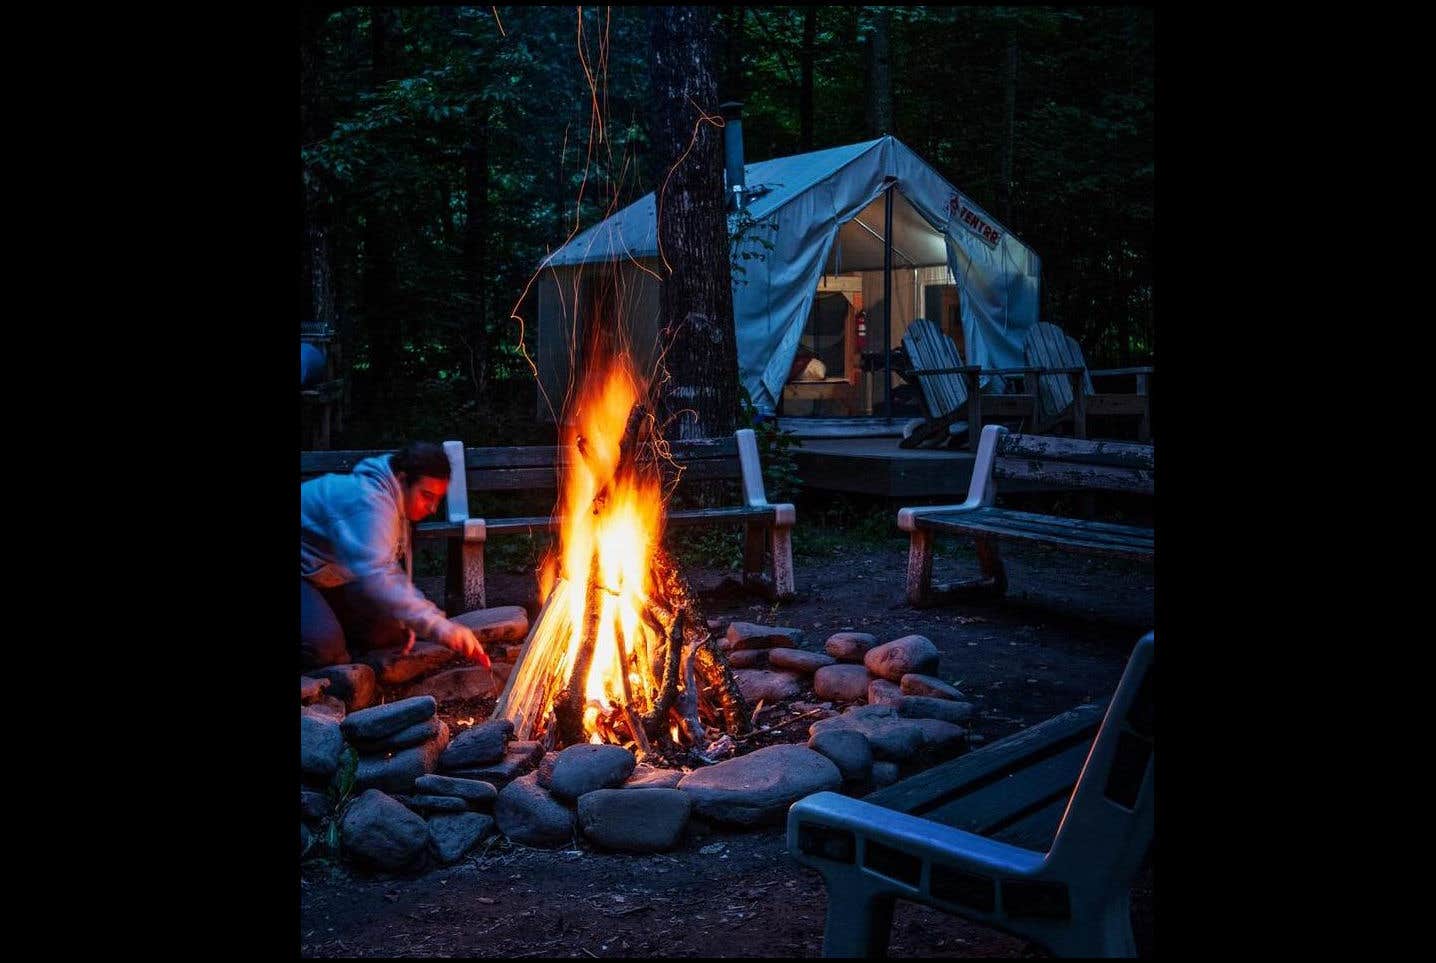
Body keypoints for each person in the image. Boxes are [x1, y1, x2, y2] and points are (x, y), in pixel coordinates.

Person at [301, 440, 490, 671]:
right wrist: (442, 627)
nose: (433, 508)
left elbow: (389, 572)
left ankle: (332, 633)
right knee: (326, 649)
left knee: (392, 633)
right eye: (427, 496)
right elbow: (378, 577)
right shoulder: (369, 503)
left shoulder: (395, 501)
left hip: (326, 573)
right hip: (308, 571)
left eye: (438, 499)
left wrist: (414, 617)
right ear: (401, 480)